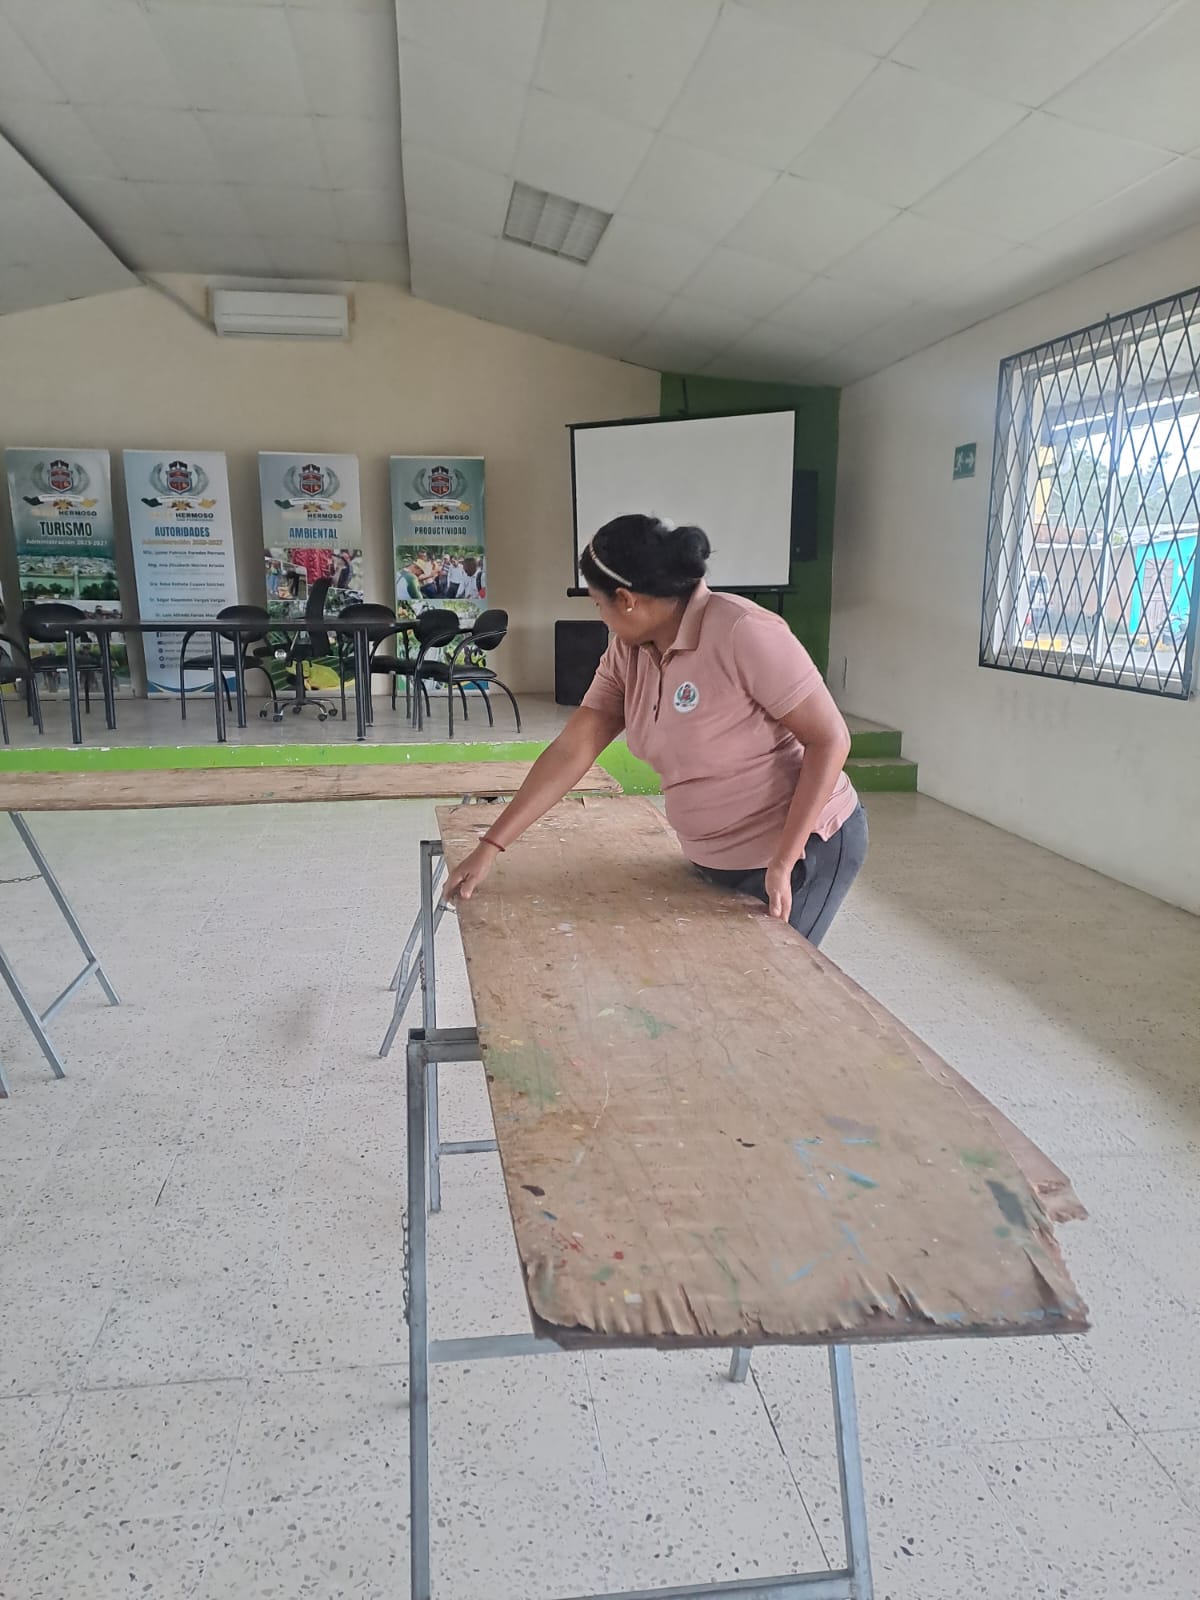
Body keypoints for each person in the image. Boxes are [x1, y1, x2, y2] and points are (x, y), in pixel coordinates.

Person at [445, 514, 867, 945]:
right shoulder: (627, 652)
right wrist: (491, 846)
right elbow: (572, 749)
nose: (600, 617)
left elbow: (829, 738)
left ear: (626, 599)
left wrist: (785, 859)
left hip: (803, 853)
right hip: (717, 860)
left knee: (774, 977)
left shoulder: (743, 631)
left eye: (597, 604)